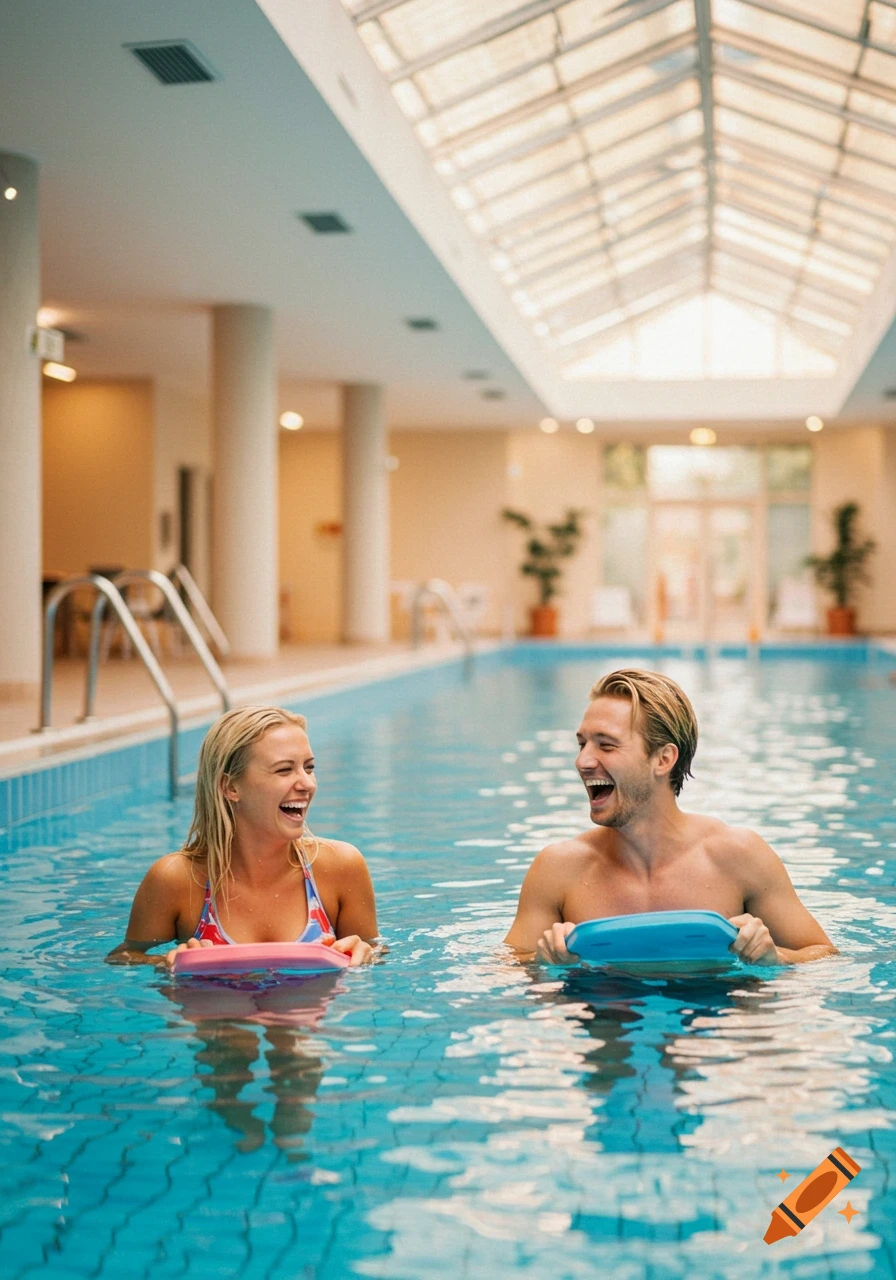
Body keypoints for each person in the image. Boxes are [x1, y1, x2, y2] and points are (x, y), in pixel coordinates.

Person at [504, 669, 836, 966]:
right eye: (582, 744)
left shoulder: (737, 857)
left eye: (605, 745)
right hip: (607, 1020)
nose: (583, 761)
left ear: (663, 759)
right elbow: (502, 969)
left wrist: (775, 957)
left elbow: (824, 957)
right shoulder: (559, 870)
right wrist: (541, 961)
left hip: (714, 1026)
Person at [107, 705, 378, 967]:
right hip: (214, 1013)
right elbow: (124, 958)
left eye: (308, 767)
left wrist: (365, 954)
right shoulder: (177, 879)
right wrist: (168, 964)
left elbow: (375, 954)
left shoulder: (339, 867)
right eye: (284, 770)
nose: (307, 783)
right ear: (230, 786)